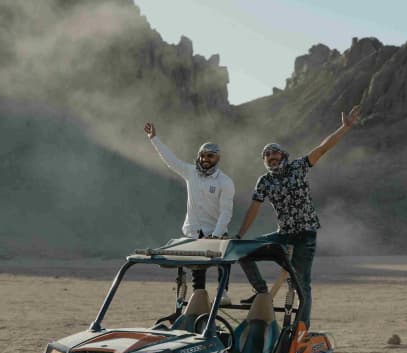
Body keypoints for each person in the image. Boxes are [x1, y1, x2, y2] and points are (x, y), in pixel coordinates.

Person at [235, 105, 361, 326]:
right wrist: (239, 235)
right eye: (266, 155)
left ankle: (301, 328)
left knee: (302, 284)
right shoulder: (264, 181)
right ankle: (261, 291)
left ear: (283, 155)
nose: (270, 156)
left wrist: (344, 128)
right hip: (282, 236)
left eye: (274, 152)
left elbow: (322, 149)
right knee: (242, 250)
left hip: (305, 236)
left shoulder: (298, 167)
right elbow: (253, 209)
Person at [144, 121, 235, 303]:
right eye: (203, 155)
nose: (206, 159)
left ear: (218, 158)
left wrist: (216, 236)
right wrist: (154, 138)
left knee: (223, 261)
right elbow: (171, 160)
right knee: (197, 268)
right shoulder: (190, 172)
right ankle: (198, 297)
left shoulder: (225, 181)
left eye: (210, 155)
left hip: (215, 231)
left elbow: (226, 212)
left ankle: (222, 293)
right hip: (194, 230)